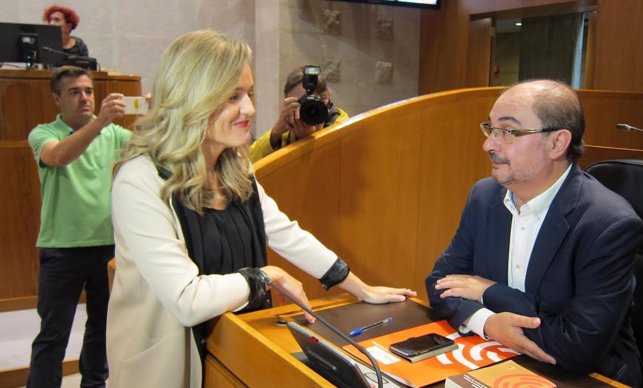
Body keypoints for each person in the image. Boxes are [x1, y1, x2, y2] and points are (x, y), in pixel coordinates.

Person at [106, 30, 415, 388]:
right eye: (232, 96)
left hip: (235, 345)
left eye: (249, 94)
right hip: (170, 363)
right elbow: (185, 299)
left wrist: (360, 288)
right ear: (191, 99)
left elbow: (284, 231)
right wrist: (266, 276)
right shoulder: (138, 180)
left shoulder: (235, 164)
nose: (250, 108)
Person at [425, 79, 643, 387]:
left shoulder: (607, 223)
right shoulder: (485, 196)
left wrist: (488, 292)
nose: (489, 144)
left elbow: (578, 347)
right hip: (501, 355)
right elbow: (439, 283)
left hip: (587, 377)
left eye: (509, 132)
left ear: (557, 143)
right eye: (490, 128)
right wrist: (488, 322)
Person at [26, 65, 130, 388]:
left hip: (107, 247)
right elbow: (59, 157)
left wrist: (160, 113)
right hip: (62, 249)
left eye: (88, 91)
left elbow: (155, 149)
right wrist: (100, 122)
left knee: (102, 329)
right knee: (53, 334)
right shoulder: (43, 133)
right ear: (57, 99)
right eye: (74, 92)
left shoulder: (115, 135)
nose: (84, 98)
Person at [249, 66, 349, 162]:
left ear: (325, 99)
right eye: (299, 102)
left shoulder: (345, 130)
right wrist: (275, 133)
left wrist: (307, 139)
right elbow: (248, 163)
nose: (305, 109)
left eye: (309, 102)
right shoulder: (290, 129)